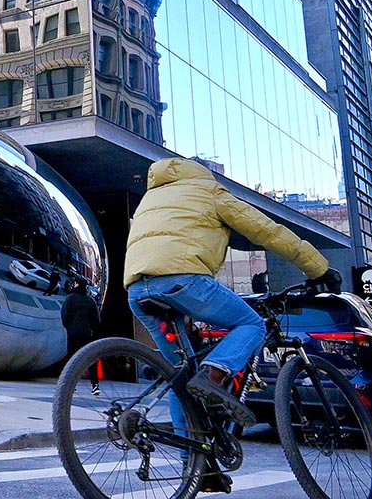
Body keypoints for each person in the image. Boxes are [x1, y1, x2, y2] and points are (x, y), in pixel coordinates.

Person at [125, 158, 339, 429]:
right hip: (183, 282)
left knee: (180, 378)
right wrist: (319, 269)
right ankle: (213, 375)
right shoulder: (208, 190)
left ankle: (196, 466)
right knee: (251, 324)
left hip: (137, 289)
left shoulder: (151, 199)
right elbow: (267, 232)